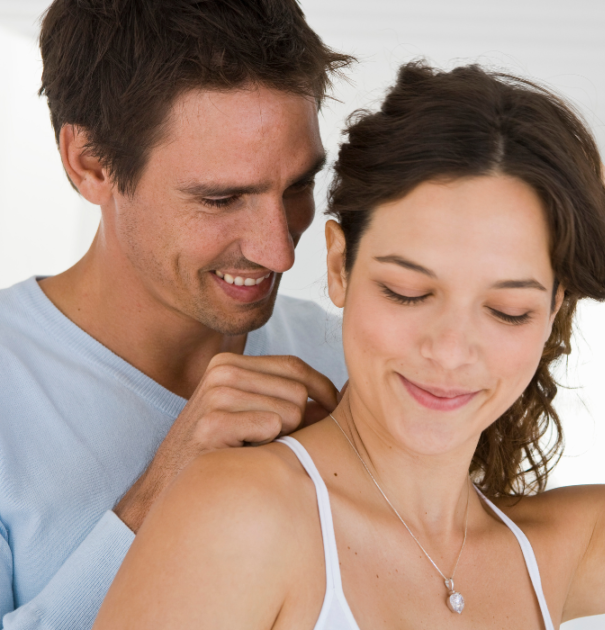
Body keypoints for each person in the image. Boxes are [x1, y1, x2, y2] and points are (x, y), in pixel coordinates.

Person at [92, 61, 605, 629]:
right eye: (409, 292)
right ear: (339, 266)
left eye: (508, 311)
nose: (451, 350)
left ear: (553, 312)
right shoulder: (247, 513)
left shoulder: (547, 557)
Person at [0, 1, 352, 627]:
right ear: (90, 164)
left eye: (297, 186)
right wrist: (163, 491)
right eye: (221, 198)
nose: (278, 249)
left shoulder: (351, 358)